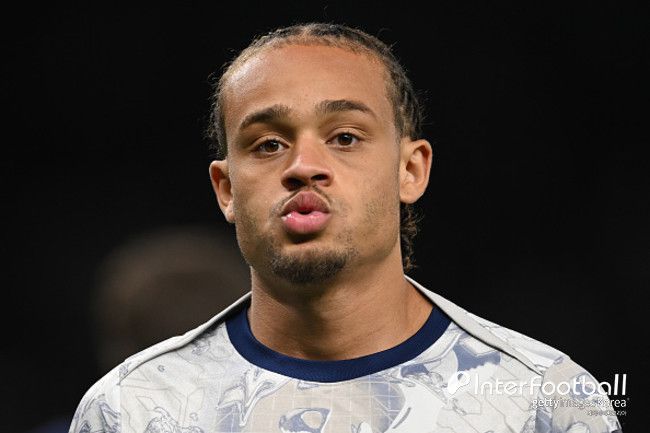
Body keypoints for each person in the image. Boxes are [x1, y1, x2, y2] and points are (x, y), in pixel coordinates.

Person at [69, 23, 622, 433]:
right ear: (227, 189)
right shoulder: (132, 410)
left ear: (410, 170)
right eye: (268, 144)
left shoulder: (547, 403)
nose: (303, 166)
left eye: (345, 138)